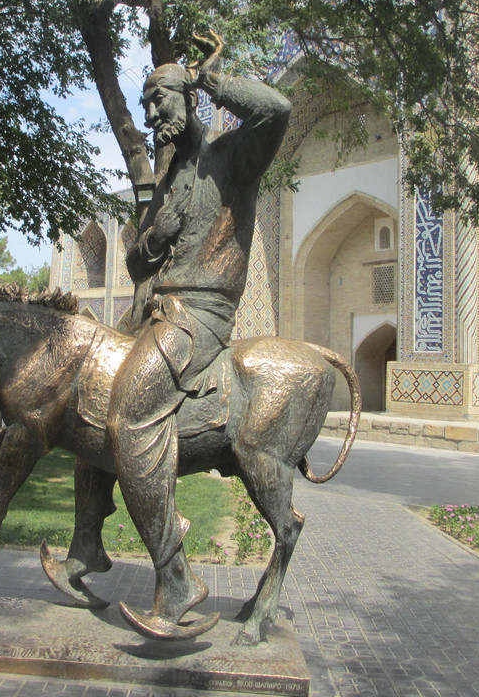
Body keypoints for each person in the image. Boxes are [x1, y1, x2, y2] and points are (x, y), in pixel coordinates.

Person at [108, 33, 291, 639]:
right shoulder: (166, 182)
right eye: (145, 105)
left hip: (200, 317)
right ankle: (88, 545)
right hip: (157, 311)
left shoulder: (232, 158)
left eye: (159, 101)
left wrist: (209, 75)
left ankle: (177, 577)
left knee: (128, 414)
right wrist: (146, 248)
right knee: (84, 390)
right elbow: (139, 265)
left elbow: (279, 109)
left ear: (187, 97)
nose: (151, 116)